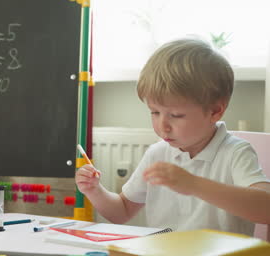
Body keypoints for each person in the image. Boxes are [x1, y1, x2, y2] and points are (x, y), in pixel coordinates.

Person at [76, 38, 270, 235]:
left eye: (176, 115)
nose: (163, 126)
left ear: (215, 111)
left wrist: (193, 184)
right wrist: (94, 191)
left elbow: (265, 210)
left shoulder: (235, 152)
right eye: (154, 112)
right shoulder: (158, 153)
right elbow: (122, 212)